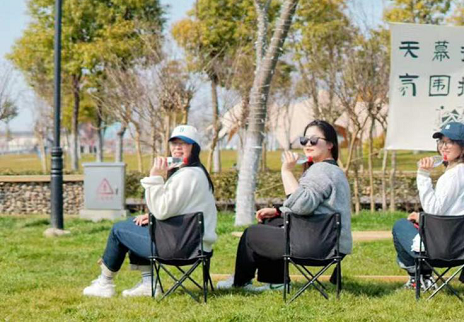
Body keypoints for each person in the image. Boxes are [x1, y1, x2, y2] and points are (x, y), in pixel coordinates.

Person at [82, 125, 217, 299]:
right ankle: (147, 283)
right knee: (136, 224)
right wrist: (152, 217)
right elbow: (183, 209)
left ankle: (105, 283)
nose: (177, 147)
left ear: (194, 148)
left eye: (184, 143)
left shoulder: (187, 175)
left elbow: (161, 210)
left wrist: (155, 176)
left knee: (118, 230)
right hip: (197, 246)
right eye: (174, 143)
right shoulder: (197, 173)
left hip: (180, 249)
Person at [217, 120, 352, 292]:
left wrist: (286, 171)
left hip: (317, 245)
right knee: (271, 222)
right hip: (332, 243)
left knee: (251, 234)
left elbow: (302, 205)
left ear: (330, 144)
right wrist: (278, 211)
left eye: (314, 140)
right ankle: (276, 282)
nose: (307, 144)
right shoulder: (333, 170)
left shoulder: (321, 170)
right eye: (304, 140)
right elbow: (315, 207)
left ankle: (240, 282)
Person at [392, 121, 464, 292]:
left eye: (450, 142)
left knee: (400, 226)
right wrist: (421, 218)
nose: (444, 147)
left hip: (443, 250)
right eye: (441, 141)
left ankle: (419, 277)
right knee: (414, 222)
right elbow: (451, 213)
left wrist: (423, 175)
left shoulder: (453, 175)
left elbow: (433, 210)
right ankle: (423, 277)